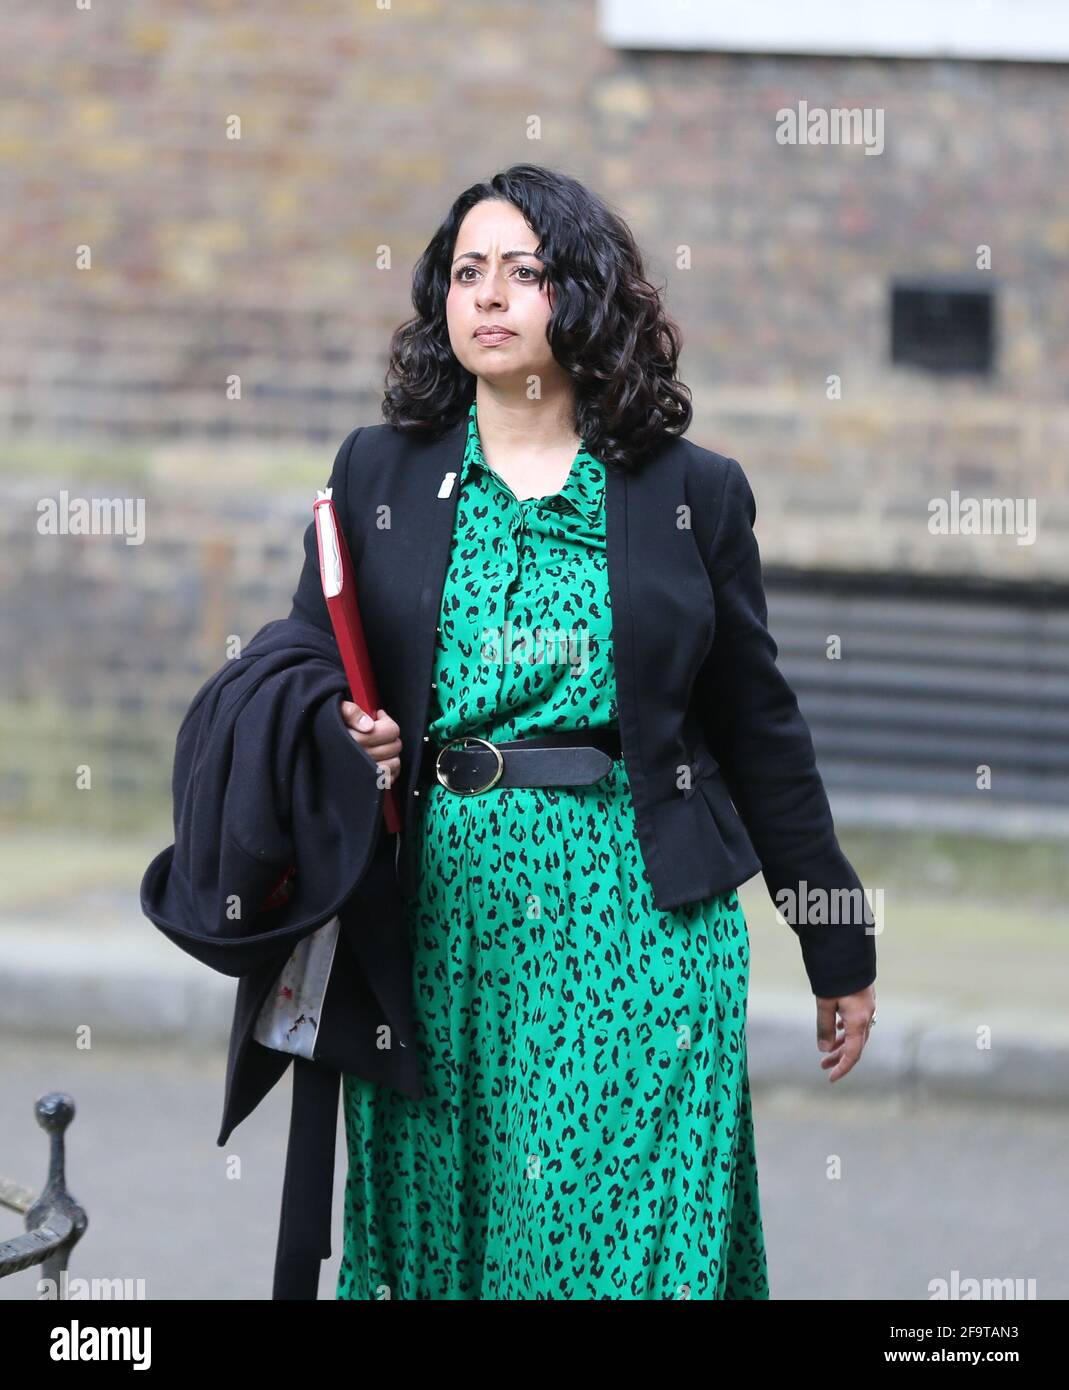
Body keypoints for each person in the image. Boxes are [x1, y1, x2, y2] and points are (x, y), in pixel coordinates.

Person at [293, 164, 878, 1302]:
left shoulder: (690, 492)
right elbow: (304, 668)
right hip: (435, 928)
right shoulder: (381, 474)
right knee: (446, 1243)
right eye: (468, 273)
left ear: (588, 294)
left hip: (633, 924)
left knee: (605, 1246)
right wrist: (338, 732)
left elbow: (757, 724)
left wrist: (835, 933)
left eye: (525, 271)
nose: (491, 296)